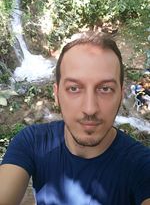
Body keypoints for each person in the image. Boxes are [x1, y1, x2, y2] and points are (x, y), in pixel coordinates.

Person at [0, 32, 150, 205]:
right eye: (74, 88)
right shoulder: (32, 142)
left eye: (105, 89)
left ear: (121, 95)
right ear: (56, 94)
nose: (90, 109)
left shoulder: (142, 166)